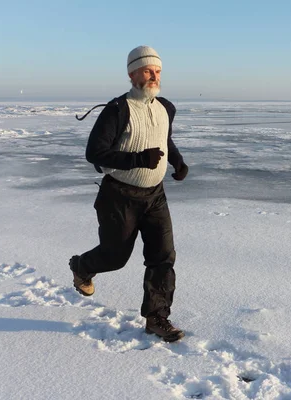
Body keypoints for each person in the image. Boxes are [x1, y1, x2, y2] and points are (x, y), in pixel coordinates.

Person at [69, 45, 188, 342]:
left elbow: (163, 139)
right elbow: (94, 152)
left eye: (158, 71)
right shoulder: (117, 110)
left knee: (163, 257)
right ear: (132, 73)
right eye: (148, 70)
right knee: (115, 257)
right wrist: (137, 159)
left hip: (155, 195)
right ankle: (82, 266)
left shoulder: (165, 108)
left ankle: (157, 318)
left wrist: (178, 160)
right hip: (119, 196)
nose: (154, 76)